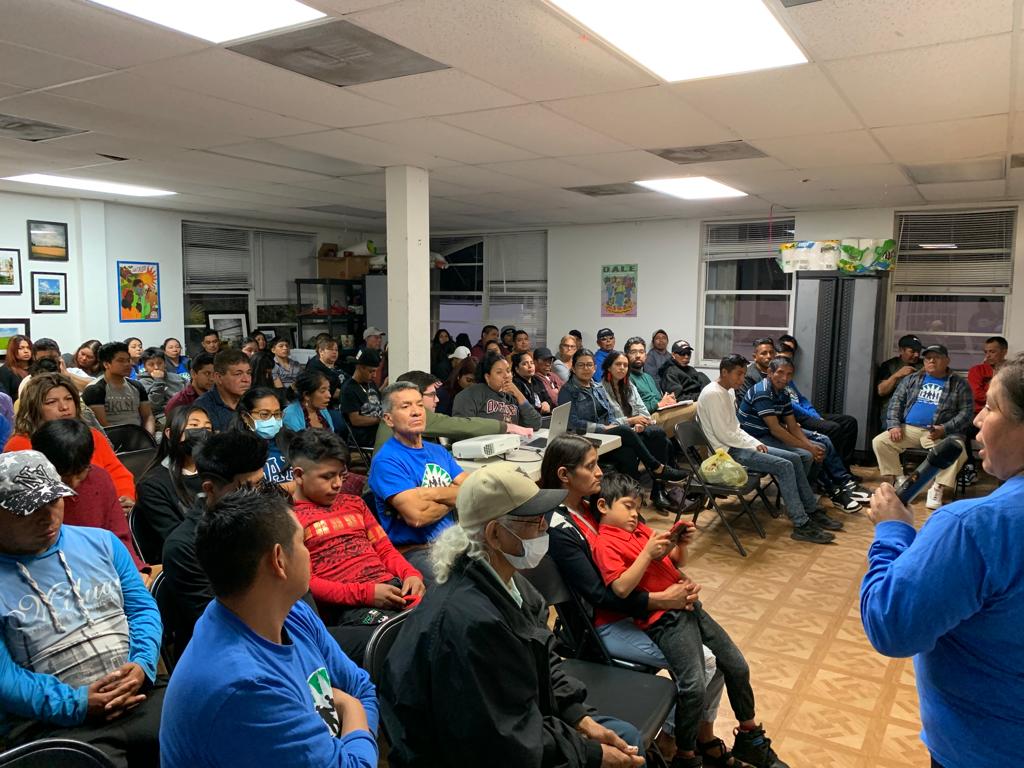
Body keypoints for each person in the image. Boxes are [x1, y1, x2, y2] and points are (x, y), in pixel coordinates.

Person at [379, 462, 645, 768]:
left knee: (624, 735)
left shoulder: (508, 580)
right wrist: (592, 755)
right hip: (476, 752)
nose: (545, 528)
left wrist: (579, 717)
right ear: (494, 533)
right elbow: (504, 740)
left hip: (519, 724)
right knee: (623, 747)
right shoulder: (472, 623)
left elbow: (542, 658)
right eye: (534, 522)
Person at [860, 354, 1024, 768]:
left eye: (991, 407)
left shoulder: (973, 527)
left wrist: (893, 530)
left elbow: (891, 625)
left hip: (987, 748)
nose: (978, 420)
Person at [540, 435, 734, 766]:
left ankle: (701, 738)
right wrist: (661, 600)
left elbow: (641, 545)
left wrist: (672, 546)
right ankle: (675, 741)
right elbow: (601, 596)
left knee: (717, 658)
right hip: (605, 624)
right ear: (563, 475)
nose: (600, 473)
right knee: (707, 662)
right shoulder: (560, 527)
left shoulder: (595, 502)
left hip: (637, 611)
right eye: (590, 466)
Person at [159, 486, 379, 768]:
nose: (309, 552)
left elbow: (362, 686)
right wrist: (352, 707)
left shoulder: (293, 613)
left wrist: (352, 709)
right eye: (302, 541)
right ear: (279, 560)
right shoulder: (244, 686)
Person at [590, 473, 787, 768]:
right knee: (693, 684)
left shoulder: (640, 531)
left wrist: (676, 545)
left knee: (736, 664)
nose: (635, 514)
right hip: (663, 618)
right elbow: (620, 587)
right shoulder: (605, 542)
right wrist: (647, 554)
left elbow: (669, 564)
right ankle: (685, 755)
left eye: (637, 506)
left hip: (689, 607)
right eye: (628, 506)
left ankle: (750, 736)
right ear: (604, 506)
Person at [0, 450, 163, 767]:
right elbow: (5, 679)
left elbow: (142, 610)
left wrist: (142, 664)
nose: (48, 516)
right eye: (28, 509)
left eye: (53, 500)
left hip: (139, 694)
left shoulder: (102, 543)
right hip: (53, 727)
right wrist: (76, 703)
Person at [291, 429, 422, 640]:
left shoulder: (355, 503)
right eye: (327, 476)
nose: (337, 484)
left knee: (444, 615)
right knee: (406, 635)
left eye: (341, 475)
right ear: (298, 475)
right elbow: (307, 585)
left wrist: (411, 574)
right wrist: (367, 594)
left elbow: (385, 550)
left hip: (392, 589)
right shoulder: (290, 519)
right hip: (348, 608)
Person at [697, 355, 838, 543]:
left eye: (743, 375)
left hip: (737, 445)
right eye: (738, 375)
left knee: (795, 459)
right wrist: (752, 443)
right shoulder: (712, 393)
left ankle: (810, 510)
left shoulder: (728, 391)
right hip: (726, 454)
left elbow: (735, 428)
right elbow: (724, 435)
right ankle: (801, 523)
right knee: (785, 465)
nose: (742, 380)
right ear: (724, 372)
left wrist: (753, 442)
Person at [160, 430, 269, 655]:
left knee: (361, 636)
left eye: (260, 484)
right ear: (210, 488)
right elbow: (221, 623)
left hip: (281, 633)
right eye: (247, 488)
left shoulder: (265, 519)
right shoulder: (184, 546)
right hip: (228, 653)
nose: (258, 496)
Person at [368, 382, 468, 580]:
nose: (416, 412)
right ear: (388, 419)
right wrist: (455, 495)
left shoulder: (438, 451)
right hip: (417, 551)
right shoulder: (387, 460)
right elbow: (417, 516)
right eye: (405, 407)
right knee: (467, 585)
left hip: (453, 540)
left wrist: (431, 493)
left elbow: (474, 490)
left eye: (419, 405)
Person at [558, 349, 686, 501]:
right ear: (573, 368)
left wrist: (612, 424)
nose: (586, 369)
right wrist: (604, 427)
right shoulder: (568, 390)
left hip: (608, 435)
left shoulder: (596, 388)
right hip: (585, 437)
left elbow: (610, 414)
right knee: (630, 433)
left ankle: (632, 500)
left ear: (594, 368)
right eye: (581, 365)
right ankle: (656, 468)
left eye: (589, 365)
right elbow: (572, 422)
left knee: (638, 447)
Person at [738, 356, 861, 513]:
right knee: (806, 455)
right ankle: (809, 495)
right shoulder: (762, 391)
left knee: (820, 446)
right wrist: (808, 448)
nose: (785, 378)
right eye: (781, 373)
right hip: (756, 438)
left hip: (769, 433)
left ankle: (808, 492)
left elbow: (793, 426)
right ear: (770, 372)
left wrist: (810, 446)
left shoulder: (783, 393)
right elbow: (776, 429)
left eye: (789, 374)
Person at [7, 373, 136, 509]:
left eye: (69, 399)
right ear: (34, 409)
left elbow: (117, 472)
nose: (64, 407)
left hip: (106, 510)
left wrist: (125, 497)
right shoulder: (19, 445)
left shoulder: (92, 435)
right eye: (51, 402)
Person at [31, 418, 145, 570]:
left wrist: (135, 570)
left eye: (80, 473)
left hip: (103, 568)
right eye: (64, 477)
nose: (73, 482)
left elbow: (119, 535)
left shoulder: (99, 478)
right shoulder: (29, 489)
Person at [872, 344, 972, 510]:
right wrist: (894, 425)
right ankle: (900, 478)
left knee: (957, 450)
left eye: (937, 357)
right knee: (880, 441)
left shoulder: (959, 384)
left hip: (940, 432)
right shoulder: (911, 379)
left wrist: (944, 428)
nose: (931, 360)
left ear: (947, 360)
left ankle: (937, 487)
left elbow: (966, 413)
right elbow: (896, 403)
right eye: (928, 358)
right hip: (909, 429)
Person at [601, 350, 681, 511]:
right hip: (618, 435)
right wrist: (631, 422)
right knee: (659, 439)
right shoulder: (600, 388)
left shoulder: (629, 385)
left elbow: (643, 411)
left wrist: (640, 423)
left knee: (659, 435)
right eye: (618, 364)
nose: (622, 368)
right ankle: (656, 483)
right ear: (608, 367)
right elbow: (608, 422)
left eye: (625, 365)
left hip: (636, 430)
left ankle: (656, 489)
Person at [131, 405, 211, 564]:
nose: (202, 432)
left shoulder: (216, 473)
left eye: (208, 428)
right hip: (185, 563)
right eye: (194, 426)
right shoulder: (152, 484)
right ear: (170, 433)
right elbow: (178, 540)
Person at [374, 370, 529, 450]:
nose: (437, 399)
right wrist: (508, 427)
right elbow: (462, 425)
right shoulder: (413, 416)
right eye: (432, 395)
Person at [775, 342, 861, 473]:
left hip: (807, 412)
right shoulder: (774, 378)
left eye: (788, 359)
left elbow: (801, 399)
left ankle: (844, 466)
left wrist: (814, 413)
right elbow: (791, 405)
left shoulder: (788, 377)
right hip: (796, 416)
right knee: (833, 428)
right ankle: (831, 472)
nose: (785, 362)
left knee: (849, 422)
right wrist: (814, 417)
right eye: (782, 358)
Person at [452, 352, 542, 429]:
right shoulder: (471, 394)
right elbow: (463, 429)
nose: (506, 375)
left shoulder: (512, 396)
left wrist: (518, 394)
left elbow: (535, 424)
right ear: (487, 377)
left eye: (508, 371)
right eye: (499, 372)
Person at [81, 342, 155, 434]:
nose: (127, 364)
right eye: (121, 361)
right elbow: (101, 426)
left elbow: (147, 416)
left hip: (139, 438)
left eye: (128, 360)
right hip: (111, 440)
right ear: (106, 364)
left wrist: (149, 437)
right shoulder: (95, 389)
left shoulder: (137, 386)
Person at [232, 387, 295, 485]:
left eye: (277, 414)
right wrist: (292, 487)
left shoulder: (292, 440)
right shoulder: (235, 450)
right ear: (245, 417)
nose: (273, 420)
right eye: (265, 414)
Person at [623, 336, 686, 434]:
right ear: (626, 356)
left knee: (690, 417)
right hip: (647, 418)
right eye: (633, 352)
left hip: (660, 412)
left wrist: (668, 400)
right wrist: (659, 404)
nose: (638, 355)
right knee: (696, 408)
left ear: (646, 356)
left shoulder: (648, 377)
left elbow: (659, 399)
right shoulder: (626, 378)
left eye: (641, 352)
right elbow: (632, 411)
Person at [195, 349, 252, 432]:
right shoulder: (203, 407)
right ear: (218, 377)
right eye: (238, 374)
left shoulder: (253, 401)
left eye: (249, 373)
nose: (246, 379)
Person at [339, 348, 383, 447]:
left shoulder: (370, 383)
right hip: (364, 436)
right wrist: (380, 420)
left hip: (378, 431)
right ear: (360, 367)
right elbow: (355, 420)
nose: (374, 375)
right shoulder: (348, 389)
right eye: (371, 371)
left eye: (376, 371)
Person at [876, 334, 923, 425]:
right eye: (912, 351)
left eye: (918, 351)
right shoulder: (890, 365)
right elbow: (881, 391)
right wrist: (897, 375)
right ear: (901, 350)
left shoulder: (924, 365)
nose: (916, 355)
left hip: (916, 409)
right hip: (893, 411)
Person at [135, 346, 185, 426]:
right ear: (145, 367)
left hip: (182, 414)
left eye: (159, 363)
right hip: (160, 418)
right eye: (151, 364)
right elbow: (153, 406)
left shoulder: (179, 378)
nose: (156, 367)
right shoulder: (141, 383)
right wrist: (159, 381)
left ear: (165, 363)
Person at [165, 351, 215, 416]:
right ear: (193, 373)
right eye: (207, 373)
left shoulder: (220, 397)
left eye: (214, 374)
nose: (212, 379)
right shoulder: (179, 402)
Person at [968, 335, 1008, 415]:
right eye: (986, 352)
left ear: (1004, 352)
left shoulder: (1012, 369)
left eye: (992, 352)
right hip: (980, 413)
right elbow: (977, 395)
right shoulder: (977, 370)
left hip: (1004, 413)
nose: (987, 356)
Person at [304, 336, 345, 404]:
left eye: (336, 350)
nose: (334, 352)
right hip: (327, 405)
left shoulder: (338, 363)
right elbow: (332, 392)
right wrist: (352, 393)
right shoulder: (314, 367)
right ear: (321, 351)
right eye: (330, 349)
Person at [512, 351, 554, 415]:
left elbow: (548, 399)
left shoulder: (537, 380)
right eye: (525, 364)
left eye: (532, 363)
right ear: (517, 369)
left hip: (544, 417)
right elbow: (521, 407)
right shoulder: (515, 384)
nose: (530, 366)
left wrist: (547, 404)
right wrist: (540, 408)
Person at [0, 333, 32, 399]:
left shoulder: (36, 368)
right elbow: (5, 398)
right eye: (21, 348)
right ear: (12, 350)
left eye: (28, 348)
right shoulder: (5, 371)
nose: (26, 351)